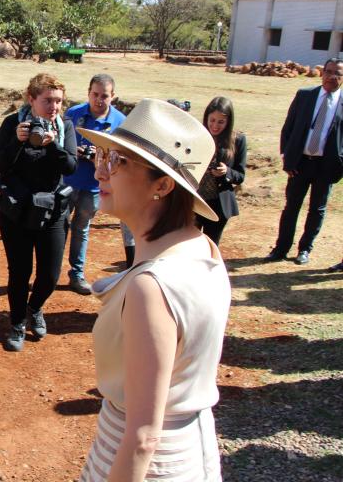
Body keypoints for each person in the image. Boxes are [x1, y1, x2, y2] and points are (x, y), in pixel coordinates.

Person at [78, 98, 231, 481]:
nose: (100, 172)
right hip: (190, 447)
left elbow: (144, 435)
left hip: (148, 461)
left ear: (162, 184)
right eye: (104, 155)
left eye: (119, 161)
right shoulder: (202, 248)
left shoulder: (152, 286)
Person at [0, 73, 77, 351]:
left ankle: (35, 307)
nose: (54, 107)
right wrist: (17, 141)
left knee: (50, 274)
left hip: (51, 212)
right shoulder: (12, 124)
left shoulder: (65, 127)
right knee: (19, 272)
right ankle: (17, 323)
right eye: (48, 100)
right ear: (32, 99)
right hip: (17, 213)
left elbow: (70, 167)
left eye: (59, 101)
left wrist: (53, 145)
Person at [266, 58, 343, 265]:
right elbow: (288, 128)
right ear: (322, 73)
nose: (332, 76)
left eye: (337, 73)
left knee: (317, 210)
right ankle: (281, 249)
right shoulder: (305, 95)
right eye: (328, 71)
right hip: (300, 164)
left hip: (326, 166)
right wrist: (287, 158)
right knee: (291, 207)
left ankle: (305, 249)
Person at [64, 74, 130, 294]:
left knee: (81, 229)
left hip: (94, 186)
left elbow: (125, 156)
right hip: (68, 181)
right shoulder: (73, 114)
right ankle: (50, 272)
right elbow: (59, 142)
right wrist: (73, 150)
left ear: (113, 97)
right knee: (58, 227)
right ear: (88, 93)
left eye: (105, 96)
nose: (99, 100)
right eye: (95, 94)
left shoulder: (121, 122)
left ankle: (77, 274)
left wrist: (99, 157)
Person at [196, 97, 247, 245]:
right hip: (195, 200)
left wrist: (227, 172)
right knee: (189, 243)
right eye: (212, 120)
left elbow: (240, 175)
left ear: (228, 121)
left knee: (210, 245)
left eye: (220, 122)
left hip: (218, 204)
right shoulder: (197, 135)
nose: (215, 126)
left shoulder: (238, 140)